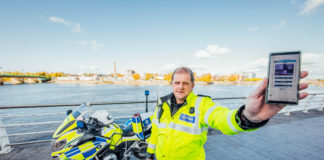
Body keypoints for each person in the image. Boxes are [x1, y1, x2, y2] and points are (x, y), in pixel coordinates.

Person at [146, 67, 308, 160]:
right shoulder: (162, 103)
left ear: (193, 85)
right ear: (171, 84)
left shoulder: (202, 105)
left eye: (185, 83)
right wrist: (149, 154)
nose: (180, 87)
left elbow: (221, 118)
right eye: (177, 83)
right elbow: (156, 130)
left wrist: (247, 117)